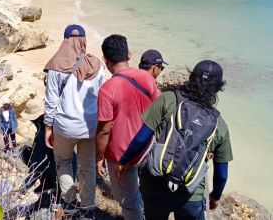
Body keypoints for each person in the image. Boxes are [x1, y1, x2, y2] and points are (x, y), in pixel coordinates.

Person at [117, 60, 233, 220]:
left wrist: (123, 161)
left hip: (154, 185)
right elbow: (221, 175)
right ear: (218, 89)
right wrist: (215, 197)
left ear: (191, 78)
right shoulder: (219, 124)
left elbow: (141, 138)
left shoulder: (168, 99)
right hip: (190, 195)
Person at [96, 34, 160, 220]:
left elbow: (104, 129)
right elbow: (158, 109)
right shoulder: (147, 78)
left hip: (120, 155)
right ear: (129, 54)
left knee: (128, 202)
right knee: (146, 194)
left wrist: (99, 157)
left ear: (105, 60)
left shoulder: (107, 90)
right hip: (147, 146)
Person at [43, 24, 105, 217]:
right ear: (84, 40)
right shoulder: (97, 65)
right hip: (90, 127)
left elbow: (51, 101)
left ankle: (69, 203)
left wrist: (47, 127)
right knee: (87, 166)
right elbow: (102, 97)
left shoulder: (55, 66)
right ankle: (88, 207)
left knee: (63, 161)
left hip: (65, 127)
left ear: (64, 40)